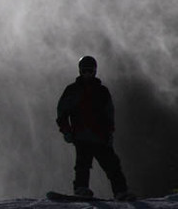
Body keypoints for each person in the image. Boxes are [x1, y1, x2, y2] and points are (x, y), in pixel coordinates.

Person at [56, 56, 134, 200]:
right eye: (84, 71)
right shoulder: (73, 90)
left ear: (95, 71)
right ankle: (81, 188)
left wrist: (109, 133)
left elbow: (109, 113)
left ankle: (121, 191)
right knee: (83, 164)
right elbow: (62, 112)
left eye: (90, 71)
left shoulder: (102, 91)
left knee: (112, 164)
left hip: (100, 135)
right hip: (81, 134)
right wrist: (66, 131)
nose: (87, 74)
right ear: (80, 71)